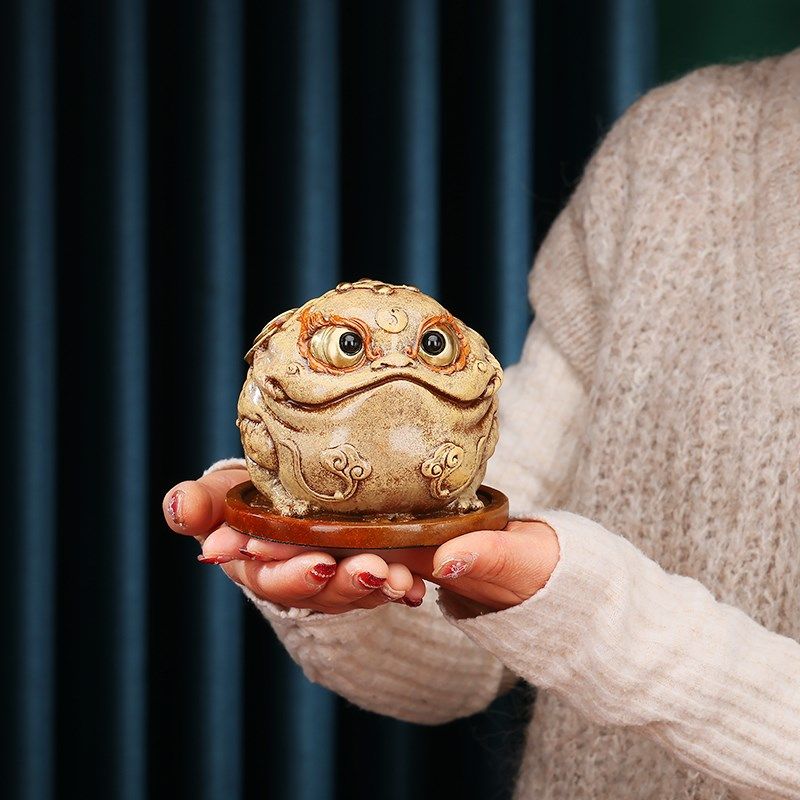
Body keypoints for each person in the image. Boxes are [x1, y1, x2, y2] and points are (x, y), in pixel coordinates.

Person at [163, 51, 800, 799]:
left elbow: (556, 592)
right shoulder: (677, 144)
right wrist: (339, 568)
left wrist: (596, 620)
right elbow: (464, 623)